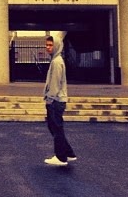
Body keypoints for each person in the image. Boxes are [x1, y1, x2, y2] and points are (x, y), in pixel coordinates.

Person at [43, 34, 77, 166]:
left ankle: (61, 157)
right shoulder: (56, 60)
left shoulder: (57, 62)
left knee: (56, 128)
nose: (48, 47)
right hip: (57, 100)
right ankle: (69, 153)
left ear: (56, 45)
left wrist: (49, 99)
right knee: (56, 127)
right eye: (46, 45)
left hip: (55, 101)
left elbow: (55, 83)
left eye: (50, 45)